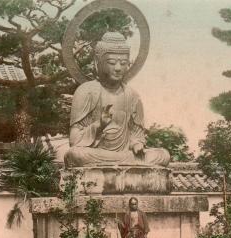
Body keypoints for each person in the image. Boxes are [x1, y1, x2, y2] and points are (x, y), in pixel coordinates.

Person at [64, 32, 170, 167]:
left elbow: (136, 135)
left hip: (124, 154)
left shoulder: (132, 95)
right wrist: (99, 124)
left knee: (162, 155)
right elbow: (74, 140)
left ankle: (125, 162)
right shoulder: (86, 91)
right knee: (75, 155)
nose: (118, 68)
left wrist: (137, 144)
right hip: (96, 153)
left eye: (124, 63)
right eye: (112, 63)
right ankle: (130, 164)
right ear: (98, 63)